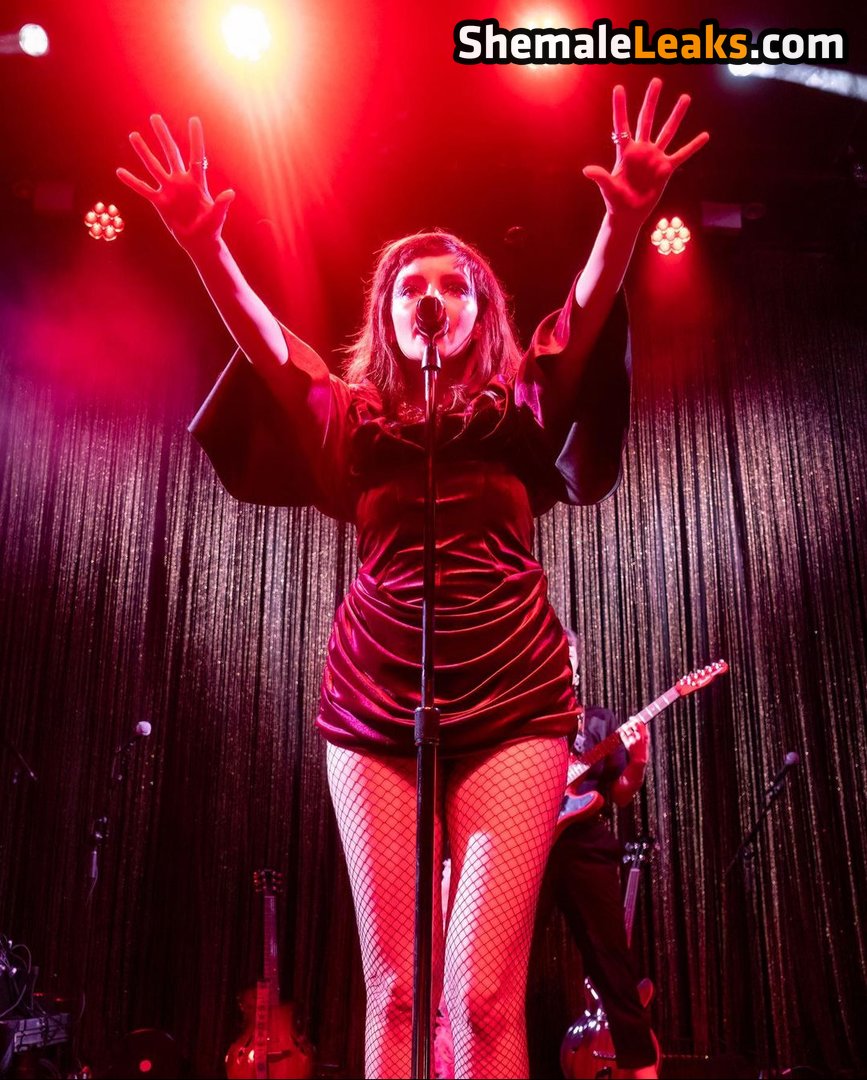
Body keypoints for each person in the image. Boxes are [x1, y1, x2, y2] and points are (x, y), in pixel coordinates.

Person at [117, 79, 707, 1080]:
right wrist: (202, 245)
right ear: (386, 315)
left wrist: (624, 217)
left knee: (479, 999)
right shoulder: (350, 418)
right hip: (377, 693)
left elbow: (581, 314)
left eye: (455, 285)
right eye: (410, 286)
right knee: (396, 992)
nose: (432, 296)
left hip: (514, 693)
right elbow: (269, 348)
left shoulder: (522, 403)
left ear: (480, 312)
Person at [550, 630, 658, 1080]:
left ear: (577, 667)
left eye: (568, 656)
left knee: (611, 960)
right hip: (525, 841)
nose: (562, 662)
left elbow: (620, 795)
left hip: (581, 841)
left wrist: (638, 761)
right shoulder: (524, 720)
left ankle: (643, 1070)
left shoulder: (597, 723)